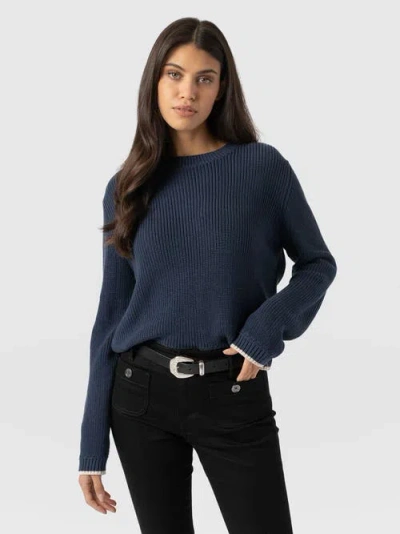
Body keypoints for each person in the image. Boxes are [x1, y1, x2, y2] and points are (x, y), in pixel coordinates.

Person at [77, 16, 337, 534]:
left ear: (222, 89)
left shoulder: (262, 169)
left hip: (232, 390)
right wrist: (91, 444)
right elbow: (111, 315)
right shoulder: (126, 187)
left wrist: (263, 332)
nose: (187, 92)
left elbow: (317, 265)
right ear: (155, 82)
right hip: (140, 396)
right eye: (174, 75)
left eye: (204, 78)